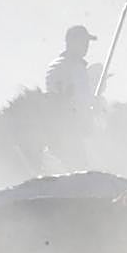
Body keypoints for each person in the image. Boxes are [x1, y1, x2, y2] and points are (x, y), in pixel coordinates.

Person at [45, 25, 99, 168]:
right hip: (65, 131)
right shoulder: (59, 66)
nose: (86, 46)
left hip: (77, 130)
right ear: (71, 42)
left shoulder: (78, 66)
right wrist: (91, 102)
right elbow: (61, 98)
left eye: (87, 42)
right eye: (83, 41)